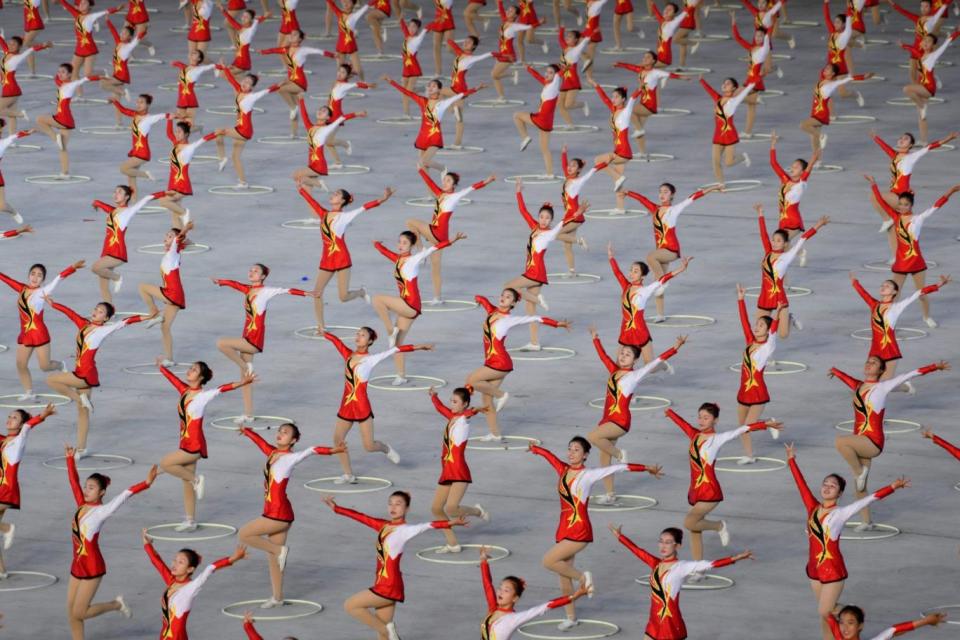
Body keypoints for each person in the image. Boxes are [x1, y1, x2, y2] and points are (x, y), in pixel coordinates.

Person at [529, 437, 661, 630]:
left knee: (548, 561)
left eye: (576, 450)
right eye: (570, 449)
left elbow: (619, 468)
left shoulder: (589, 475)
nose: (571, 453)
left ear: (585, 455)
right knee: (563, 574)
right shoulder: (563, 469)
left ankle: (583, 578)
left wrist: (646, 467)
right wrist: (535, 449)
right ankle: (571, 617)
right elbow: (548, 456)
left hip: (579, 530)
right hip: (563, 528)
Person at [785, 442, 910, 640]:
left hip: (833, 570)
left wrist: (892, 487)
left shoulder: (841, 513)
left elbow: (869, 500)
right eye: (825, 484)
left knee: (824, 611)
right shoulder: (812, 508)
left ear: (839, 493)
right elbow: (801, 485)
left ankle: (852, 614)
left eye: (832, 486)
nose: (827, 488)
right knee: (826, 615)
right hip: (814, 569)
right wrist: (791, 460)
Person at [322, 491, 468, 640]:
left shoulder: (405, 530)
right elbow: (361, 517)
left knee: (350, 606)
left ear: (407, 509)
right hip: (382, 582)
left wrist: (450, 523)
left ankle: (388, 632)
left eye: (398, 504)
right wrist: (337, 508)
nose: (393, 507)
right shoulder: (383, 525)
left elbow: (428, 525)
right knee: (382, 637)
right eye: (390, 503)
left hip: (388, 586)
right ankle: (387, 632)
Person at [829, 357, 947, 529]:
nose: (869, 364)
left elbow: (912, 373)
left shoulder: (883, 387)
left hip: (872, 442)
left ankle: (859, 471)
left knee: (840, 442)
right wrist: (835, 371)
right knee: (860, 488)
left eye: (874, 363)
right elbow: (846, 378)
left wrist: (935, 367)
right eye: (867, 361)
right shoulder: (858, 386)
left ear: (881, 371)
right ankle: (867, 521)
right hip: (860, 441)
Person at [237, 423, 343, 608]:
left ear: (293, 440)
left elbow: (311, 450)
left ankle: (280, 551)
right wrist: (247, 431)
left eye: (285, 433)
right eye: (280, 431)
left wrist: (333, 450)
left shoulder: (291, 458)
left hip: (277, 515)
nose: (280, 434)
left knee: (244, 534)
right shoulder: (272, 453)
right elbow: (260, 443)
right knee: (273, 559)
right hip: (277, 512)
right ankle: (277, 597)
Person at [665, 405, 781, 564]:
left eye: (706, 418)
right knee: (695, 529)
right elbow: (684, 425)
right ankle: (698, 569)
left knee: (689, 522)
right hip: (695, 490)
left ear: (715, 420)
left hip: (709, 491)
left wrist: (764, 424)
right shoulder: (695, 435)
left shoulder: (717, 438)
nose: (701, 420)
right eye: (700, 417)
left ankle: (719, 526)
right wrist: (670, 413)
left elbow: (742, 429)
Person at [65, 447, 157, 640]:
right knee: (71, 612)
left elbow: (125, 494)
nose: (86, 490)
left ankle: (116, 604)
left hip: (92, 566)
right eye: (86, 486)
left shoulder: (102, 511)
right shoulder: (81, 504)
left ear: (102, 492)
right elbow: (73, 482)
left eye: (91, 487)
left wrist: (146, 483)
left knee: (80, 613)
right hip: (77, 564)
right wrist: (69, 459)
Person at [156, 358, 254, 533]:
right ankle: (190, 520)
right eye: (190, 368)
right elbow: (173, 380)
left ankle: (197, 480)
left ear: (201, 377)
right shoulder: (184, 391)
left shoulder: (203, 395)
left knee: (165, 464)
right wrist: (161, 369)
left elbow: (223, 388)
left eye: (194, 370)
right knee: (186, 481)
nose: (189, 371)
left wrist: (243, 382)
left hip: (194, 444)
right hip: (184, 442)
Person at [322, 328, 433, 481]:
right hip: (346, 406)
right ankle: (348, 474)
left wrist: (419, 347)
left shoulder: (371, 359)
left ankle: (385, 448)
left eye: (363, 335)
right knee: (337, 439)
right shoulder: (348, 355)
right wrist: (324, 333)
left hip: (361, 407)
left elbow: (396, 349)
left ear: (370, 341)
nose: (358, 336)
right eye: (358, 334)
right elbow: (337, 342)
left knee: (369, 446)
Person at [588, 329, 684, 503]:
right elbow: (603, 357)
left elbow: (656, 361)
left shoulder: (633, 376)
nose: (623, 356)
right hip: (607, 419)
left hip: (619, 421)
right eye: (622, 353)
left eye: (628, 354)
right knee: (604, 457)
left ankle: (619, 454)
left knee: (593, 436)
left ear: (635, 360)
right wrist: (596, 340)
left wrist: (674, 348)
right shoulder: (614, 371)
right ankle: (610, 494)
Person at [213, 264, 317, 422]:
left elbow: (287, 290)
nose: (251, 272)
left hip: (254, 339)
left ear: (262, 276)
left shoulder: (266, 291)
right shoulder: (247, 289)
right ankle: (248, 414)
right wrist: (221, 281)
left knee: (221, 343)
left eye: (256, 271)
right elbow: (234, 283)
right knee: (245, 379)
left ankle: (244, 365)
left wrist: (307, 293)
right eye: (250, 270)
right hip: (246, 335)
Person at [610, 523, 753, 638]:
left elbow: (710, 564)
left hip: (669, 622)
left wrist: (735, 558)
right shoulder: (655, 563)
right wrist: (620, 536)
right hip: (654, 621)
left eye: (668, 542)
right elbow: (637, 550)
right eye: (661, 541)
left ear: (677, 546)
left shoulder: (682, 567)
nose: (663, 546)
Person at [46, 299, 151, 455]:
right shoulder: (83, 324)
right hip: (84, 371)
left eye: (101, 311)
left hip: (85, 374)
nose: (96, 312)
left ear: (106, 319)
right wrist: (53, 304)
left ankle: (80, 398)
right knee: (82, 412)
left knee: (51, 380)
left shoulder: (104, 330)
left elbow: (126, 321)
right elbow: (69, 312)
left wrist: (148, 316)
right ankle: (81, 449)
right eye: (96, 309)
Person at [465, 290, 570, 440]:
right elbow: (485, 303)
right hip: (492, 361)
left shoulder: (510, 319)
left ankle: (502, 395)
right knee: (486, 400)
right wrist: (478, 298)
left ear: (513, 303)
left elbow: (536, 318)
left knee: (472, 380)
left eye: (508, 297)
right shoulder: (492, 311)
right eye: (503, 295)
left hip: (499, 362)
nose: (503, 298)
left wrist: (556, 324)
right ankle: (495, 434)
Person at [864, 175, 960, 326]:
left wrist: (951, 192)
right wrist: (874, 184)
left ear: (911, 206)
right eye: (900, 204)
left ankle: (926, 317)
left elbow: (936, 205)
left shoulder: (918, 218)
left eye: (905, 205)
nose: (902, 207)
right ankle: (889, 321)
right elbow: (881, 201)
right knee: (894, 294)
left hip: (916, 261)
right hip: (901, 262)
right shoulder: (895, 217)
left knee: (922, 293)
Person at [297, 185, 392, 332]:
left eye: (336, 194)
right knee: (316, 292)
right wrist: (301, 189)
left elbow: (365, 207)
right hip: (327, 260)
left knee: (343, 297)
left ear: (342, 201)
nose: (332, 195)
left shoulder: (345, 217)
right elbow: (312, 201)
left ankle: (360, 292)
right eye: (333, 193)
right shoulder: (323, 214)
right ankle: (321, 326)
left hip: (342, 259)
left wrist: (383, 199)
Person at [371, 231, 464, 382]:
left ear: (412, 246)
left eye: (405, 243)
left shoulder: (414, 259)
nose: (400, 245)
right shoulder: (398, 259)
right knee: (397, 345)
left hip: (410, 304)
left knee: (377, 299)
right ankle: (400, 376)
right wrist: (376, 243)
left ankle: (390, 331)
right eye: (399, 242)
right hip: (407, 307)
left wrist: (453, 239)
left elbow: (434, 248)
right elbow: (385, 252)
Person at [623, 183, 721, 319]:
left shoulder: (674, 209)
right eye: (660, 192)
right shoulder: (655, 209)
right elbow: (643, 199)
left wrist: (713, 188)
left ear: (672, 195)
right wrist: (628, 192)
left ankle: (664, 282)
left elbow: (693, 197)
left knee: (651, 258)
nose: (662, 194)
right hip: (661, 252)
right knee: (657, 284)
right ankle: (660, 314)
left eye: (666, 192)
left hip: (671, 250)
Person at [507, 181, 584, 348]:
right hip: (534, 271)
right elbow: (523, 211)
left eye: (547, 218)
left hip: (535, 272)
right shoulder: (534, 227)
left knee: (509, 287)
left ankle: (537, 298)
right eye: (541, 216)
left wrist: (576, 214)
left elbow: (563, 225)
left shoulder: (550, 233)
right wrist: (518, 193)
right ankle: (535, 342)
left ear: (551, 220)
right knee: (530, 311)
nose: (543, 220)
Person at [405, 169, 495, 303]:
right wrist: (420, 170)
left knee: (411, 222)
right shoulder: (440, 194)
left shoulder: (455, 196)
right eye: (444, 180)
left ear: (454, 184)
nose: (445, 182)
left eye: (448, 180)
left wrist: (487, 181)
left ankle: (421, 250)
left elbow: (472, 188)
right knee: (435, 268)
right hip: (440, 235)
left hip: (437, 232)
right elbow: (430, 182)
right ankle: (437, 298)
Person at [0, 260, 83, 399]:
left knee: (44, 366)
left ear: (43, 280)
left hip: (39, 335)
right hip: (26, 334)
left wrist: (72, 268)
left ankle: (60, 365)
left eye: (39, 275)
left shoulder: (42, 292)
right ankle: (28, 392)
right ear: (28, 275)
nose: (35, 277)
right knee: (20, 364)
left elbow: (58, 279)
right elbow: (5, 279)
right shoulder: (22, 289)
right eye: (33, 274)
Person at [143, 530, 246, 639]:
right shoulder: (172, 581)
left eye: (180, 562)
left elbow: (210, 568)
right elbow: (158, 563)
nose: (174, 564)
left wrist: (233, 558)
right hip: (164, 635)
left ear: (190, 569)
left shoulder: (191, 587)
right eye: (175, 560)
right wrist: (147, 544)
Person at [868, 129, 957, 254]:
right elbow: (885, 147)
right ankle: (896, 257)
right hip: (894, 194)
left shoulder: (911, 157)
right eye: (901, 137)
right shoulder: (894, 155)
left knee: (874, 196)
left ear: (910, 145)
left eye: (906, 139)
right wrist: (875, 137)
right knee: (893, 229)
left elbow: (930, 146)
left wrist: (949, 138)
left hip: (901, 197)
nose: (902, 139)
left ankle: (886, 219)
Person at [426, 386, 490, 553]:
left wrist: (476, 409)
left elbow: (470, 412)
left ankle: (477, 511)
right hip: (447, 469)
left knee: (451, 508)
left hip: (459, 470)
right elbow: (441, 409)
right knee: (436, 509)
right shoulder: (452, 417)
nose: (452, 404)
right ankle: (453, 544)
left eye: (455, 402)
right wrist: (434, 397)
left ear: (465, 404)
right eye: (451, 401)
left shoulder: (464, 419)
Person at [849, 271, 949, 376]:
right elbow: (864, 294)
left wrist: (939, 284)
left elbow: (918, 293)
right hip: (874, 348)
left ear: (894, 292)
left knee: (885, 381)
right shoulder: (874, 305)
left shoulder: (897, 307)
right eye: (882, 285)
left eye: (887, 286)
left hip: (889, 349)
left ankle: (905, 388)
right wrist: (855, 282)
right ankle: (904, 387)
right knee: (872, 379)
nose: (883, 287)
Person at [478, 546, 589, 639]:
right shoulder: (493, 608)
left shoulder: (513, 618)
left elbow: (547, 606)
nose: (500, 592)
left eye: (506, 590)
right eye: (500, 588)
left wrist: (576, 595)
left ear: (515, 598)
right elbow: (487, 585)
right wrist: (483, 561)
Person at [753, 204, 830, 339]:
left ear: (784, 244)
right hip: (764, 296)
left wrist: (818, 225)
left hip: (779, 299)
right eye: (773, 240)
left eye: (778, 241)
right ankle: (765, 357)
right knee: (759, 332)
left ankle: (789, 318)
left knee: (783, 335)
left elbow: (803, 239)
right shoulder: (768, 252)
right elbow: (763, 234)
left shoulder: (786, 257)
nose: (774, 243)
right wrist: (760, 214)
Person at [608, 243, 691, 364]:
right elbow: (617, 273)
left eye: (635, 271)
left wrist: (681, 269)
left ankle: (663, 366)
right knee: (618, 363)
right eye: (631, 270)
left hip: (640, 331)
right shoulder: (626, 286)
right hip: (625, 330)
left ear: (643, 276)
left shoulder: (645, 290)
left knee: (648, 366)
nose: (631, 273)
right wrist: (611, 257)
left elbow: (663, 278)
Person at [383, 74, 481, 172]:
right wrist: (391, 82)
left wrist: (477, 88)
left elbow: (461, 95)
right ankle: (429, 187)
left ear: (439, 90)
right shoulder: (422, 101)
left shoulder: (442, 103)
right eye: (429, 85)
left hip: (435, 136)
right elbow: (407, 92)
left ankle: (442, 168)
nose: (430, 87)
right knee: (421, 166)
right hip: (423, 136)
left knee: (424, 161)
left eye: (433, 86)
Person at [0, 403, 54, 577]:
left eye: (14, 418)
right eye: (9, 416)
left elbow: (30, 425)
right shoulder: (3, 440)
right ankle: (1, 570)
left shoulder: (19, 439)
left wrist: (42, 415)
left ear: (21, 424)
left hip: (7, 489)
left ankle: (8, 528)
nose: (9, 419)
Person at [734, 283, 783, 464]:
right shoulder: (750, 341)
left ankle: (768, 422)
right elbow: (744, 321)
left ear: (767, 330)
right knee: (742, 427)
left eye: (761, 325)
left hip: (758, 392)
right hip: (743, 391)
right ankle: (749, 455)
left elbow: (774, 329)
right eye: (757, 324)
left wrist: (777, 313)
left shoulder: (767, 346)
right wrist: (741, 299)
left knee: (749, 425)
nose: (757, 327)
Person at [90, 186, 165, 302]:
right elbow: (107, 209)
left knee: (95, 268)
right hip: (106, 250)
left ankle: (117, 277)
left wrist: (165, 193)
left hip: (117, 252)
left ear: (127, 197)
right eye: (114, 191)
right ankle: (109, 310)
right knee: (103, 286)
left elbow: (146, 198)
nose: (115, 194)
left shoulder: (128, 211)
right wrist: (96, 203)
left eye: (119, 192)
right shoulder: (114, 211)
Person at [211, 66, 280, 187]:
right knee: (235, 157)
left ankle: (222, 158)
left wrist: (279, 85)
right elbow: (231, 79)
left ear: (252, 88)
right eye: (244, 80)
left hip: (244, 130)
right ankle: (243, 182)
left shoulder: (251, 97)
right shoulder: (239, 90)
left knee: (218, 132)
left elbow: (267, 91)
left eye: (248, 83)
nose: (244, 83)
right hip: (241, 129)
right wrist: (224, 68)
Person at [613, 53, 689, 160]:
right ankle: (642, 152)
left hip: (650, 106)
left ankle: (639, 130)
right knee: (638, 127)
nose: (644, 59)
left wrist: (682, 77)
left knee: (629, 111)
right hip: (642, 103)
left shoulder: (655, 72)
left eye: (648, 57)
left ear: (653, 61)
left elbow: (669, 75)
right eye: (644, 57)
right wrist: (619, 64)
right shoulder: (640, 70)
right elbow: (630, 66)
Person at [259, 31, 335, 138]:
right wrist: (262, 51)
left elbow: (318, 51)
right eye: (291, 34)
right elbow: (274, 50)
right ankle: (294, 133)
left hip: (300, 82)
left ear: (300, 39)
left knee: (281, 90)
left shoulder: (303, 50)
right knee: (294, 107)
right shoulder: (286, 49)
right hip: (290, 81)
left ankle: (292, 108)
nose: (291, 36)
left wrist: (332, 55)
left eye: (294, 35)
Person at [138, 224, 194, 363]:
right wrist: (183, 238)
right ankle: (168, 359)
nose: (166, 237)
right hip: (176, 295)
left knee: (143, 287)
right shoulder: (174, 251)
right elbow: (187, 242)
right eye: (166, 235)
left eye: (170, 236)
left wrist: (184, 230)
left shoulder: (173, 252)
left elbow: (179, 240)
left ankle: (155, 314)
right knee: (165, 328)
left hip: (172, 293)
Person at [35, 65, 100, 177]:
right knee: (62, 148)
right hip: (66, 119)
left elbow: (86, 79)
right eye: (59, 71)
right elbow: (57, 78)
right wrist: (60, 73)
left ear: (69, 74)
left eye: (63, 72)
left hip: (62, 118)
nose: (60, 74)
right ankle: (65, 172)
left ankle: (55, 137)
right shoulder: (61, 84)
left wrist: (102, 77)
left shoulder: (70, 85)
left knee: (40, 119)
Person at [799, 64, 873, 157]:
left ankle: (822, 135)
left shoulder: (832, 84)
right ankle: (817, 161)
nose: (825, 69)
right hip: (814, 112)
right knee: (814, 141)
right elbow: (825, 70)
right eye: (826, 68)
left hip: (821, 114)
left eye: (828, 69)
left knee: (803, 125)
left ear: (833, 73)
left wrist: (863, 77)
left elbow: (849, 79)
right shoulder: (823, 78)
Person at [901, 30, 960, 144]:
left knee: (906, 89)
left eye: (929, 41)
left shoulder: (933, 55)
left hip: (928, 88)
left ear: (933, 45)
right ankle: (924, 141)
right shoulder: (921, 55)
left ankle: (922, 106)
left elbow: (947, 42)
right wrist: (904, 45)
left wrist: (957, 32)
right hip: (921, 85)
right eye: (925, 40)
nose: (925, 42)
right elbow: (913, 50)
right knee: (921, 116)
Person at [154, 120, 217, 227]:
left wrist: (216, 133)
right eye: (176, 131)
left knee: (163, 201)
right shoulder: (176, 144)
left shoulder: (189, 148)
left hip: (181, 183)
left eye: (179, 132)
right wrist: (169, 118)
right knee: (175, 213)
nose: (176, 134)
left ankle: (184, 212)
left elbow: (203, 140)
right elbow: (169, 133)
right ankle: (180, 237)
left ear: (187, 134)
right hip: (172, 182)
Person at [769, 132, 819, 261]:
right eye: (792, 166)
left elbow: (808, 171)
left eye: (796, 167)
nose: (792, 168)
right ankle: (800, 253)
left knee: (780, 250)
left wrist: (813, 160)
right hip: (783, 219)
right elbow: (774, 164)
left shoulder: (801, 183)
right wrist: (773, 144)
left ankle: (799, 254)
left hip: (793, 221)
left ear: (802, 171)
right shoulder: (785, 179)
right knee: (781, 250)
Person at [699, 75, 755, 183]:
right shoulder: (719, 99)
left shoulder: (733, 101)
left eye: (728, 83)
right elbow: (710, 91)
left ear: (734, 88)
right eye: (724, 83)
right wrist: (702, 80)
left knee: (728, 163)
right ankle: (721, 183)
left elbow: (744, 92)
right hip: (718, 135)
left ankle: (742, 157)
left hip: (729, 135)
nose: (725, 84)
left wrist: (752, 83)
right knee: (715, 161)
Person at [589, 81, 642, 195]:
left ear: (623, 99)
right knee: (618, 186)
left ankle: (618, 177)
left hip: (623, 152)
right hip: (618, 150)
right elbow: (605, 99)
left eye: (616, 97)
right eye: (613, 96)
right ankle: (620, 207)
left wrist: (640, 88)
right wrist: (596, 85)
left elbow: (632, 99)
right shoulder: (614, 110)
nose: (613, 99)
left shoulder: (625, 112)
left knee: (598, 160)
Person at [110, 95, 168, 194]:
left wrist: (174, 115)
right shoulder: (135, 114)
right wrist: (115, 102)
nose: (138, 104)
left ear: (148, 105)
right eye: (137, 102)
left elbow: (163, 115)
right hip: (135, 151)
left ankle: (146, 174)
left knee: (123, 169)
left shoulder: (149, 118)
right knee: (131, 181)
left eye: (142, 102)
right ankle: (133, 204)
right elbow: (123, 110)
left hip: (142, 153)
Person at [513, 64, 562, 177]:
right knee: (544, 148)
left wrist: (565, 66)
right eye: (547, 71)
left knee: (517, 116)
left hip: (542, 118)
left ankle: (525, 137)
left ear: (555, 76)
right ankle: (550, 174)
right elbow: (539, 78)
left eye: (550, 72)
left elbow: (560, 73)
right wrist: (529, 68)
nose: (547, 74)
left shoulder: (555, 84)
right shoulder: (547, 83)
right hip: (548, 120)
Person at [0, 36, 53, 135]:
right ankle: (12, 139)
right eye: (10, 43)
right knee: (11, 116)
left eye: (14, 44)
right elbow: (2, 43)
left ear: (19, 47)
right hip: (8, 88)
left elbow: (31, 49)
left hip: (11, 90)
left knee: (5, 111)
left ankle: (20, 114)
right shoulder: (7, 52)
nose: (10, 45)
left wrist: (44, 45)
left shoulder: (17, 57)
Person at [58, 0, 121, 84]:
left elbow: (105, 12)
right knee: (73, 73)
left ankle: (102, 72)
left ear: (89, 6)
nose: (81, 4)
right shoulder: (76, 14)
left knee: (87, 75)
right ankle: (79, 96)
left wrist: (117, 9)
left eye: (85, 3)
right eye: (80, 3)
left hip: (90, 49)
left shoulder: (91, 17)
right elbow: (65, 3)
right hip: (79, 49)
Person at [731, 19, 769, 138]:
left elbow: (767, 38)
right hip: (749, 80)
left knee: (733, 97)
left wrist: (768, 25)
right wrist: (734, 23)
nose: (758, 38)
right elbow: (738, 38)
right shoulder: (752, 48)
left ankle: (756, 98)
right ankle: (748, 132)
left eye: (761, 36)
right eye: (756, 35)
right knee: (751, 108)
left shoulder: (763, 50)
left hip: (754, 81)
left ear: (764, 37)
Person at [98, 18, 141, 113]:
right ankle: (118, 123)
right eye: (122, 32)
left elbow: (135, 42)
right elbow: (113, 32)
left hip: (122, 75)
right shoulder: (119, 42)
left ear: (129, 37)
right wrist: (108, 21)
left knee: (102, 83)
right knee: (116, 100)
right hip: (117, 74)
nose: (122, 34)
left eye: (125, 33)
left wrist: (141, 34)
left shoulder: (127, 47)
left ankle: (123, 92)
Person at [826, 606, 947, 640]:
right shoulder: (837, 633)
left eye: (850, 623)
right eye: (841, 622)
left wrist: (926, 621)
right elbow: (827, 612)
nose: (844, 628)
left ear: (860, 626)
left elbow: (895, 630)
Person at [0, 120, 36, 221]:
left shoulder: (2, 143)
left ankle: (12, 211)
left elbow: (14, 136)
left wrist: (27, 132)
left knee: (2, 206)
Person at [219, 5, 271, 74]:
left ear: (251, 20)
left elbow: (257, 21)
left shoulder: (248, 29)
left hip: (243, 60)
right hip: (239, 57)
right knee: (227, 74)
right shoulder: (244, 27)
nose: (243, 18)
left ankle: (248, 81)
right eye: (243, 16)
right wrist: (223, 11)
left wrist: (264, 16)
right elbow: (232, 21)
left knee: (226, 74)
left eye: (246, 17)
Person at [170, 50, 216, 127]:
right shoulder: (184, 67)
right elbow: (177, 64)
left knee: (189, 126)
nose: (191, 53)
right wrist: (175, 63)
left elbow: (210, 66)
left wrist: (219, 66)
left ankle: (197, 128)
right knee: (179, 126)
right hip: (181, 98)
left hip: (190, 99)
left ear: (199, 59)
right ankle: (198, 128)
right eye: (191, 52)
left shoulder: (198, 69)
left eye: (195, 53)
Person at [326, 0, 369, 81]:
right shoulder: (339, 13)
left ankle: (363, 82)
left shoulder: (355, 16)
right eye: (344, 2)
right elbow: (331, 3)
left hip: (351, 46)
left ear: (353, 4)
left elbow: (367, 6)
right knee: (340, 70)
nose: (345, 4)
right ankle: (340, 87)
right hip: (341, 45)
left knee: (358, 69)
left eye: (348, 2)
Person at [398, 19, 428, 118]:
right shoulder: (407, 36)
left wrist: (427, 28)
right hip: (405, 67)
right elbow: (403, 27)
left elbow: (425, 31)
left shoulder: (417, 39)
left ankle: (407, 114)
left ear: (417, 29)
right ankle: (406, 113)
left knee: (407, 92)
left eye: (414, 27)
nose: (411, 28)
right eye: (410, 26)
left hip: (414, 68)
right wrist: (401, 17)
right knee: (404, 92)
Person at [425, 0, 456, 76]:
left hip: (448, 20)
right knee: (436, 47)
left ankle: (463, 58)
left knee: (450, 48)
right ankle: (438, 72)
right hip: (438, 20)